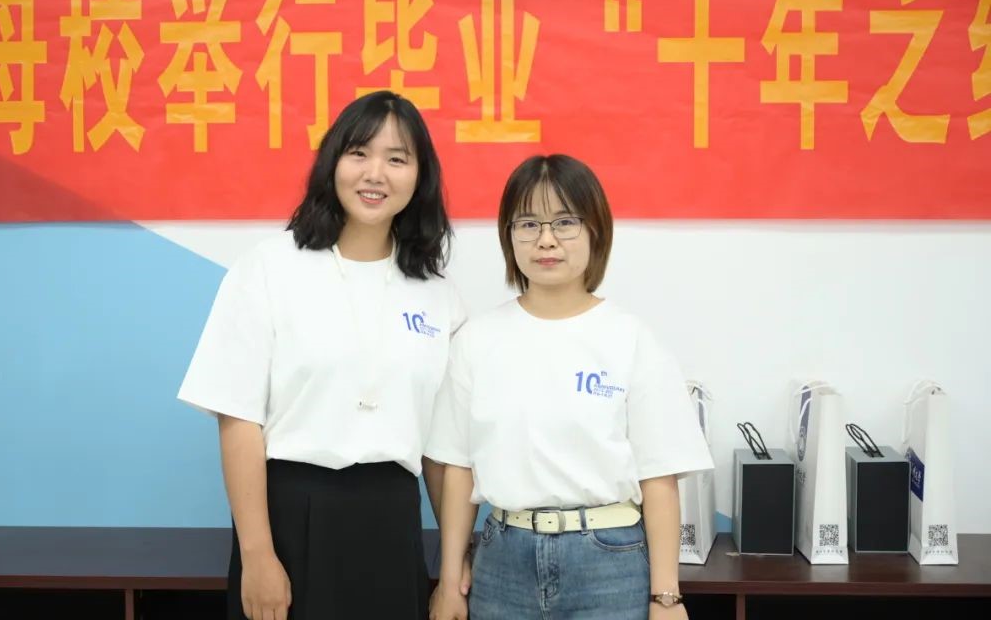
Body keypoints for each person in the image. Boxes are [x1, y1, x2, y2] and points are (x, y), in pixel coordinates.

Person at [178, 91, 465, 620]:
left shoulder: (436, 294)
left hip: (392, 520)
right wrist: (258, 555)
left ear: (419, 176)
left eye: (397, 158)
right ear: (332, 162)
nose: (375, 173)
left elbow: (442, 449)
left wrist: (453, 566)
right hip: (290, 517)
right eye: (359, 153)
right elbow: (238, 419)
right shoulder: (269, 267)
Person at [427, 154, 713, 620]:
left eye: (564, 222)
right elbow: (458, 469)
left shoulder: (631, 339)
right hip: (503, 562)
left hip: (609, 563)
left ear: (595, 230)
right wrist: (448, 581)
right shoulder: (477, 340)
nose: (546, 240)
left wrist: (667, 597)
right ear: (508, 236)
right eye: (528, 224)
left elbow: (658, 478)